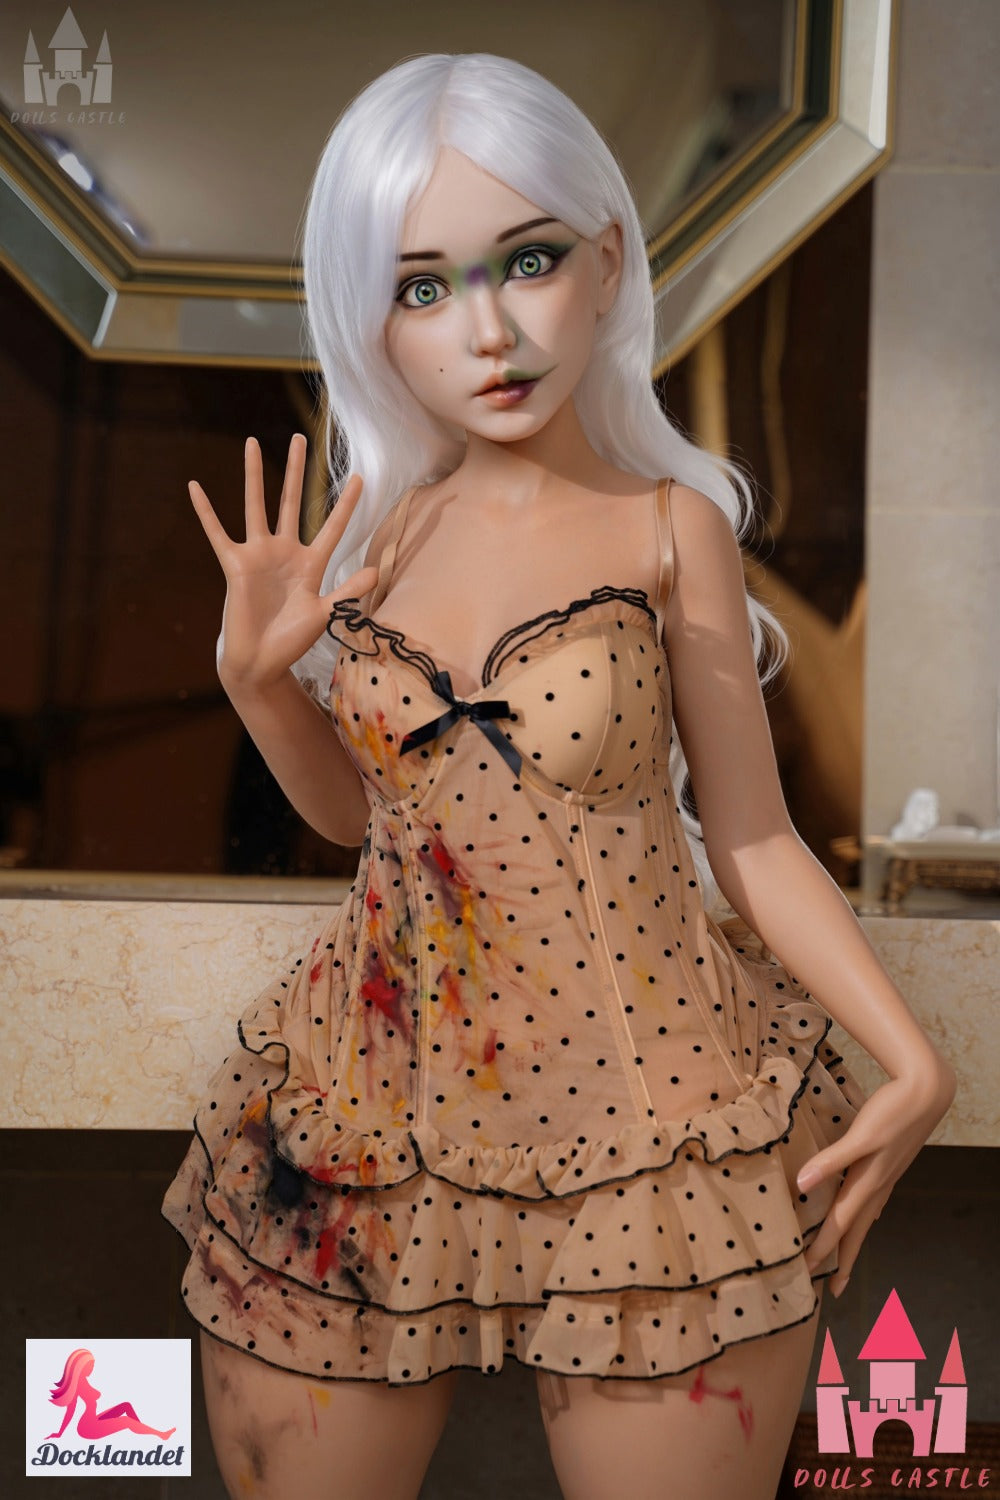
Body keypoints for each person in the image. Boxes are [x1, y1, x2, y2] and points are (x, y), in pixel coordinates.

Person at [161, 51, 956, 1500]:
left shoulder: (668, 526)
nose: (489, 329)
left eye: (525, 261)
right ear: (368, 320)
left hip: (652, 1128)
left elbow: (754, 839)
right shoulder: (371, 543)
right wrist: (260, 683)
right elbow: (359, 821)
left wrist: (912, 1054)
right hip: (372, 1108)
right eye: (422, 287)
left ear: (606, 262)